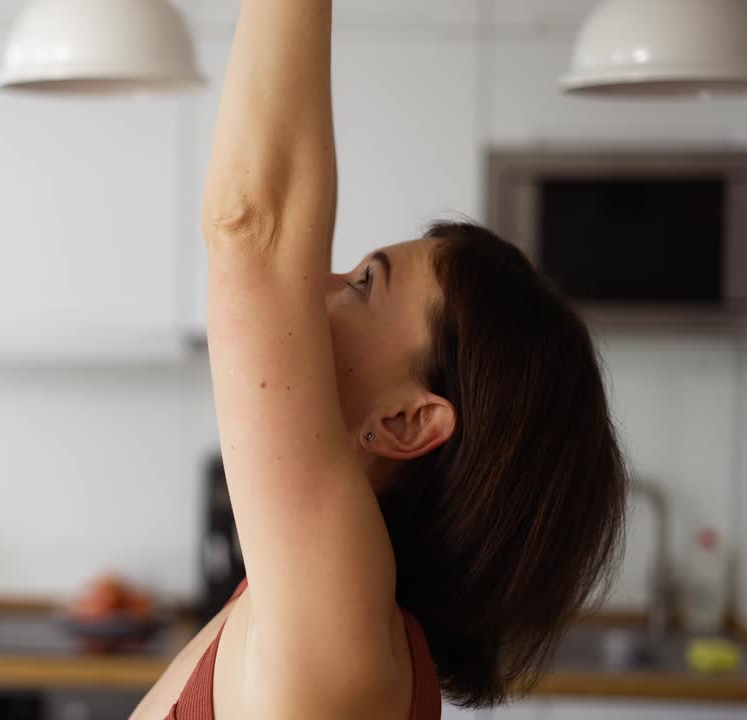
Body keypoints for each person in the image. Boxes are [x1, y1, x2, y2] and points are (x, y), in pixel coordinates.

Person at [129, 2, 627, 718]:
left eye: (362, 285)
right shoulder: (314, 611)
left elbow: (252, 226)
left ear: (404, 421)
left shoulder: (340, 633)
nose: (318, 286)